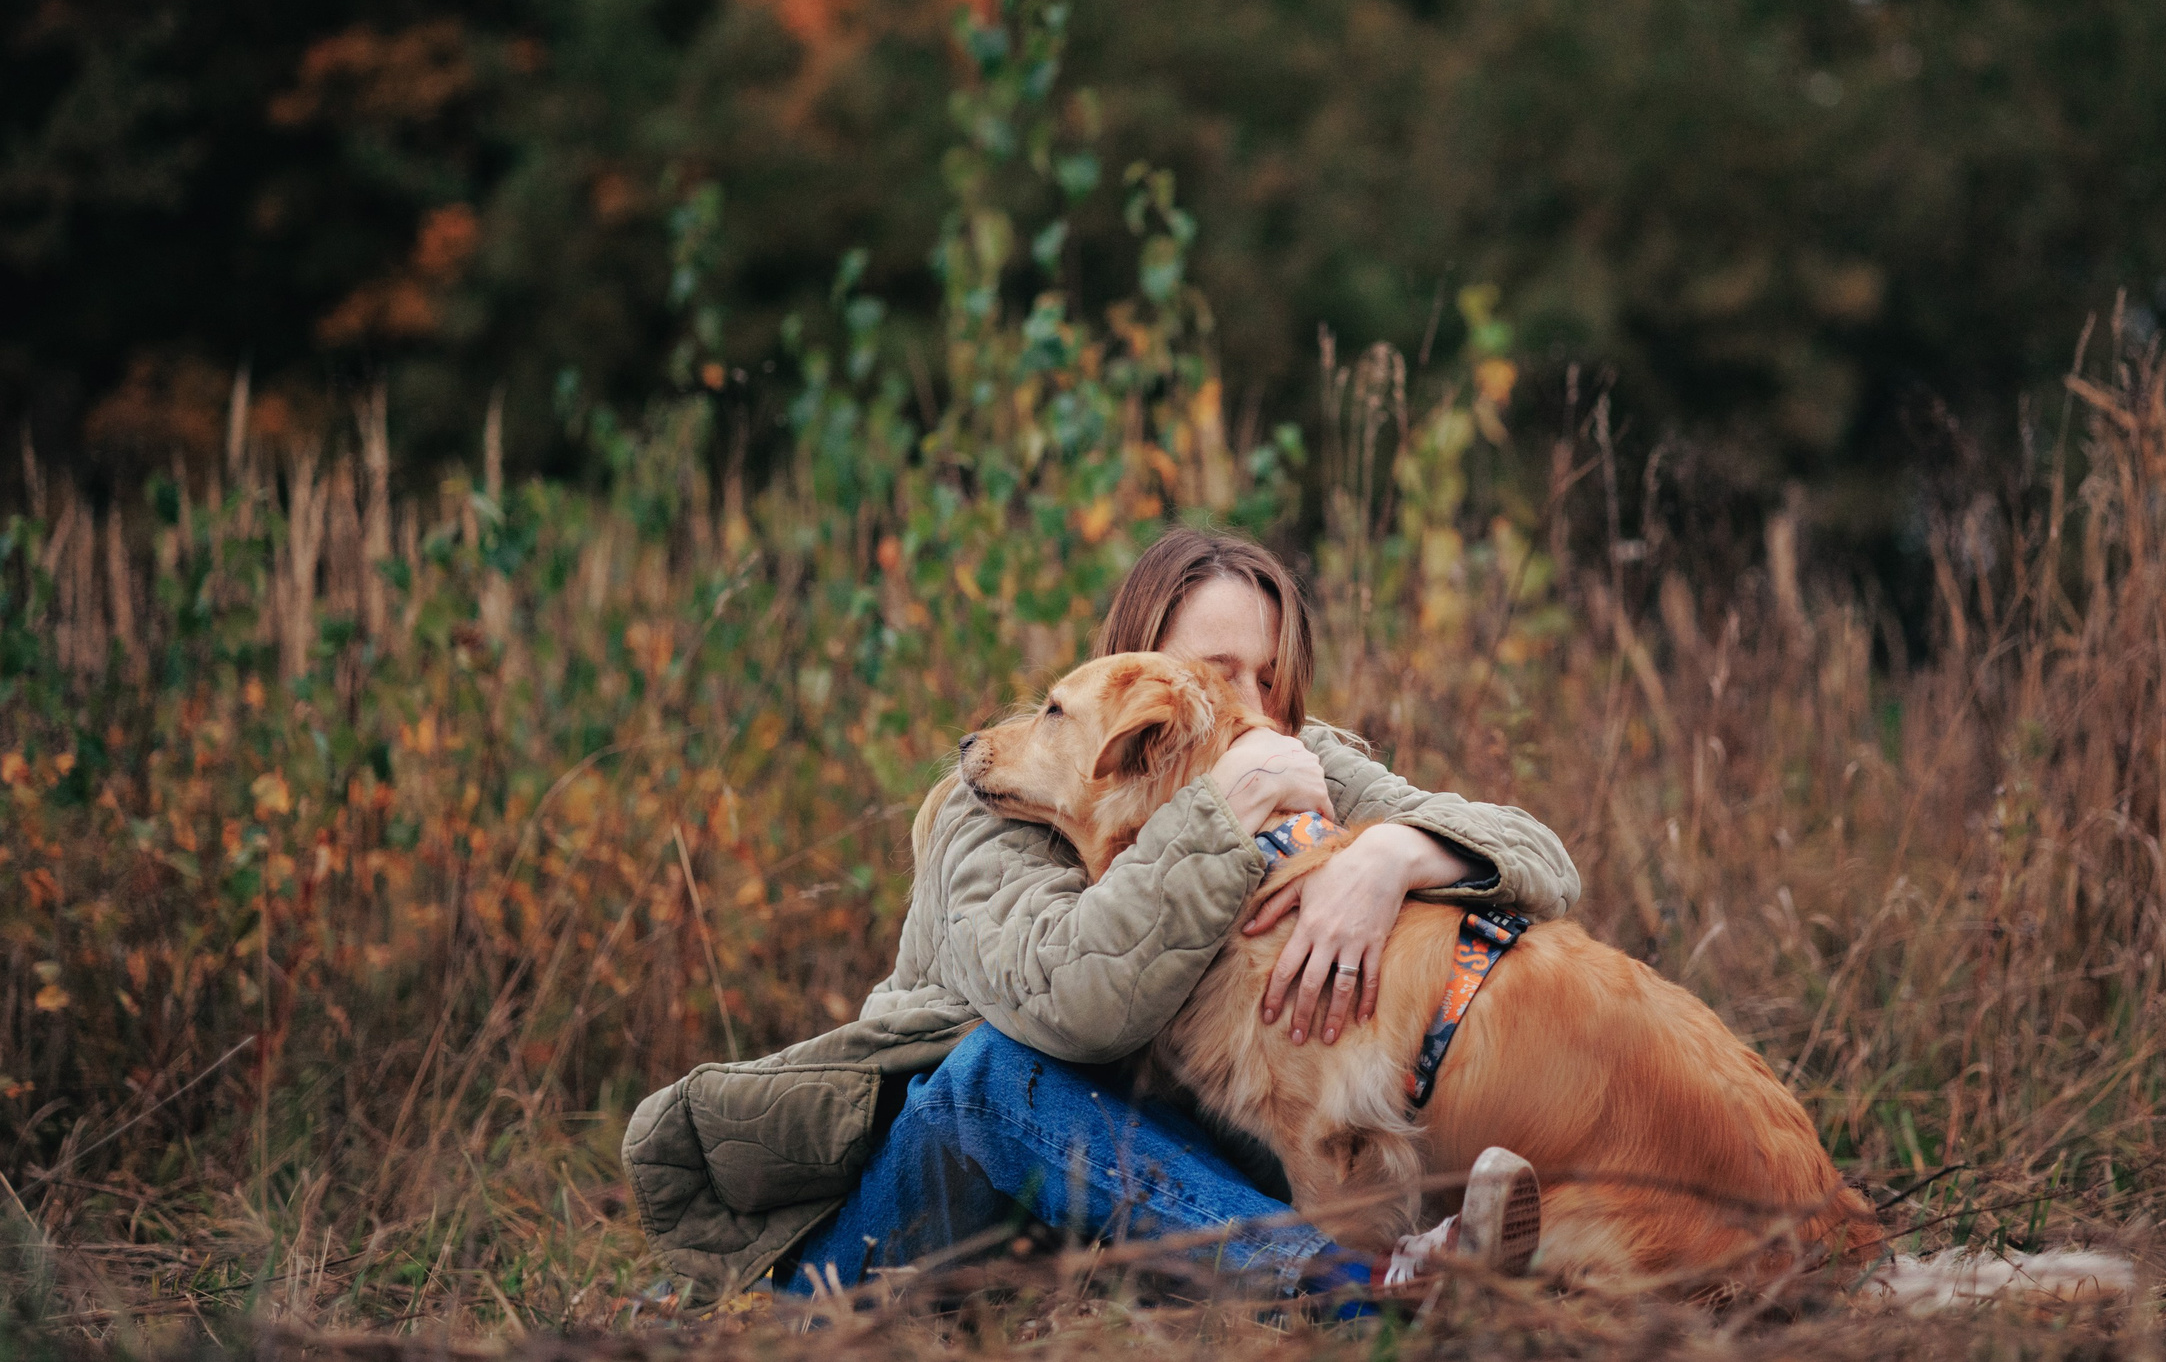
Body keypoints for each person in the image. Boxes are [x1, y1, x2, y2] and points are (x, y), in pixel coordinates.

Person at [620, 527, 1580, 1303]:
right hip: (911, 1217)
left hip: (1097, 1215)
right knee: (999, 1069)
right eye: (1212, 670)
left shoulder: (1282, 753)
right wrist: (1220, 812)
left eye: (1271, 679)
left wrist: (1390, 854)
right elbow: (1076, 1003)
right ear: (1136, 679)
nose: (1245, 704)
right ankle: (1363, 1293)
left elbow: (1539, 854)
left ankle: (1466, 1256)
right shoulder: (991, 805)